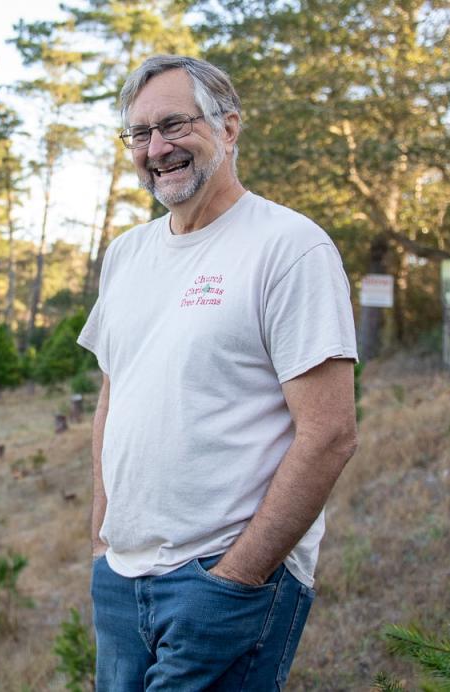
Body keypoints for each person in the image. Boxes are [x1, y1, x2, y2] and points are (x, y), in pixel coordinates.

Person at [76, 55, 359, 691]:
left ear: (229, 128)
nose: (157, 148)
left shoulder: (290, 248)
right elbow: (113, 399)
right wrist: (101, 543)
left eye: (174, 125)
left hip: (223, 579)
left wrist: (238, 576)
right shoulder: (126, 256)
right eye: (140, 134)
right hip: (122, 580)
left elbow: (331, 434)